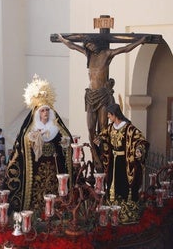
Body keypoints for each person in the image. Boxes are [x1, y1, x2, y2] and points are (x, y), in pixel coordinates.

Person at [57, 34, 149, 167]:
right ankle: (95, 156)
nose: (90, 47)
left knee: (103, 127)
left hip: (103, 95)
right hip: (90, 95)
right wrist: (62, 39)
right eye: (87, 46)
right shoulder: (89, 55)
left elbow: (125, 49)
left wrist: (140, 41)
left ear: (97, 43)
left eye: (91, 45)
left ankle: (104, 156)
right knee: (90, 128)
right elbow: (73, 46)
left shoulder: (107, 54)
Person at [5, 76, 73, 212]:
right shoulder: (30, 130)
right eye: (42, 110)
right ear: (37, 113)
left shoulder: (56, 128)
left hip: (54, 166)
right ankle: (34, 212)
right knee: (37, 191)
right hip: (35, 168)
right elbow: (22, 147)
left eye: (47, 110)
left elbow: (65, 141)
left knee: (54, 190)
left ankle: (57, 210)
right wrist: (35, 138)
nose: (45, 113)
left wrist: (65, 142)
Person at [93, 103, 149, 202]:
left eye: (109, 114)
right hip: (112, 161)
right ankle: (112, 203)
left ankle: (124, 203)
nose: (108, 116)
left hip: (124, 161)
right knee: (111, 182)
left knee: (123, 183)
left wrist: (139, 149)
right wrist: (99, 140)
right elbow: (103, 137)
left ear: (115, 114)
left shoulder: (129, 128)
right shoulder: (110, 127)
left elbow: (140, 140)